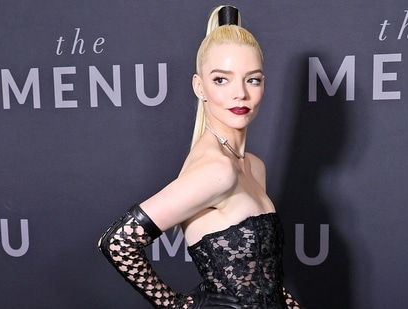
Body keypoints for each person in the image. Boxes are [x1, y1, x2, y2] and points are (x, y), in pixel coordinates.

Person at [98, 5, 302, 309]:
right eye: (222, 79)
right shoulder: (217, 170)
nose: (240, 94)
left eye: (252, 79)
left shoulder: (252, 166)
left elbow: (261, 277)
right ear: (199, 86)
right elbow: (117, 242)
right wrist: (176, 305)